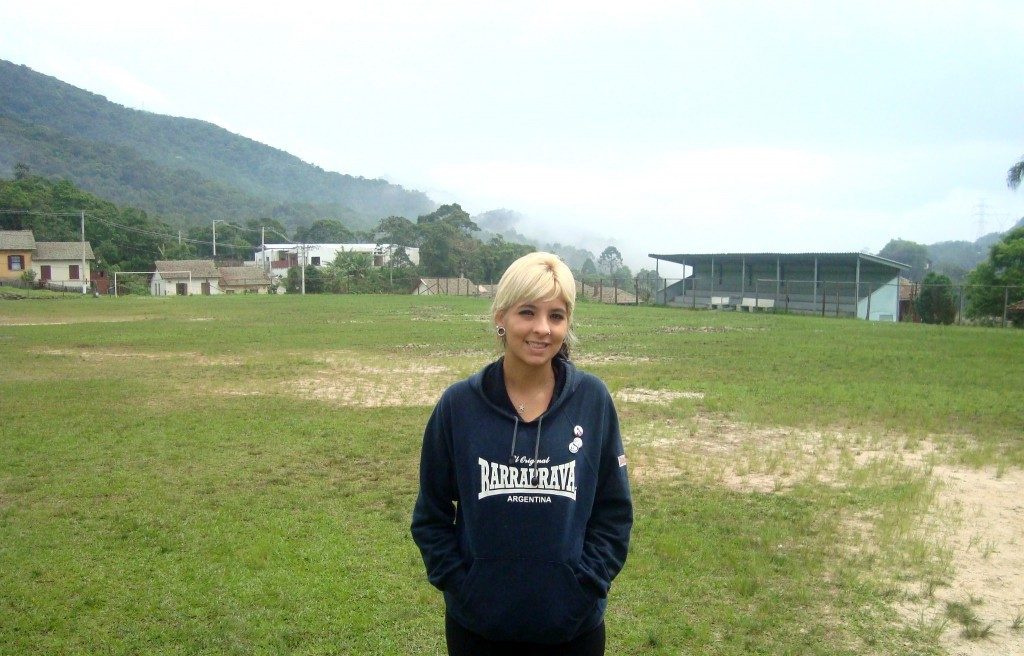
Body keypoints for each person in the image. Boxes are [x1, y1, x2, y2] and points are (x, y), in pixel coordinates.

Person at [411, 252, 633, 655]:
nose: (542, 329)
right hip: (478, 629)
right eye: (527, 312)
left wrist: (585, 585)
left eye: (557, 316)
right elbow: (431, 514)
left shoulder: (593, 400)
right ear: (501, 317)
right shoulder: (458, 406)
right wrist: (464, 587)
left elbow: (614, 512)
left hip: (573, 629)